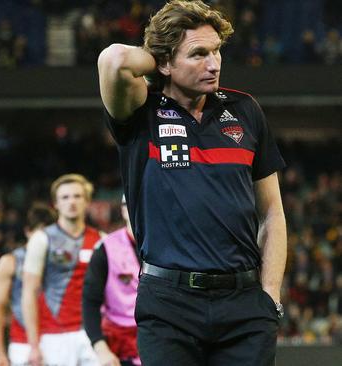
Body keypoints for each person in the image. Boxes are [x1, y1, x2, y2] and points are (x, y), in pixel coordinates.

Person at [97, 1, 287, 365]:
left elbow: (273, 213)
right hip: (169, 306)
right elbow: (113, 60)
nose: (214, 64)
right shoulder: (140, 112)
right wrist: (161, 59)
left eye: (216, 51)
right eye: (198, 54)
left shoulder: (245, 110)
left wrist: (269, 296)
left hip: (245, 306)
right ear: (164, 61)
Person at [22, 173, 102, 366]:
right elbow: (29, 293)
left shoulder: (102, 240)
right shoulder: (41, 239)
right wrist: (33, 345)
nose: (71, 202)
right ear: (55, 204)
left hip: (94, 334)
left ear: (87, 201)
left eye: (77, 196)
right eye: (65, 197)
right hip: (54, 336)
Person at [0, 203, 57, 366]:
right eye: (40, 233)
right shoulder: (11, 262)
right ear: (28, 232)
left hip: (59, 338)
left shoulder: (63, 262)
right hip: (22, 342)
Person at [83, 197, 140, 366]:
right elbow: (90, 302)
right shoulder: (106, 248)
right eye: (128, 204)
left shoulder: (169, 246)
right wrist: (101, 348)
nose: (134, 208)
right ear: (122, 210)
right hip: (120, 348)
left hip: (163, 339)